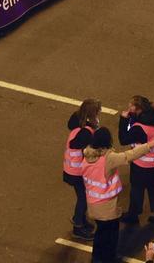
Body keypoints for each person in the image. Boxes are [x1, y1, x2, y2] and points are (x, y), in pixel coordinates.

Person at [81, 126, 154, 263]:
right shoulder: (108, 159)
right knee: (111, 236)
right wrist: (152, 144)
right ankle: (109, 259)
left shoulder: (87, 155)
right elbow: (130, 155)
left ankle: (96, 259)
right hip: (107, 208)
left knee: (100, 233)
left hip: (93, 205)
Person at [119, 96, 154, 227]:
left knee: (137, 191)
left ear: (138, 109)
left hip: (143, 167)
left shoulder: (140, 128)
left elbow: (123, 139)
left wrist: (124, 120)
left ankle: (133, 215)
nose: (128, 107)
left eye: (131, 106)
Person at [64, 99, 102, 240]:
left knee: (82, 197)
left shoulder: (78, 121)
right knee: (83, 198)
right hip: (77, 171)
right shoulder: (86, 132)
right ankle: (78, 226)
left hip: (72, 169)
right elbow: (79, 145)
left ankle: (80, 220)